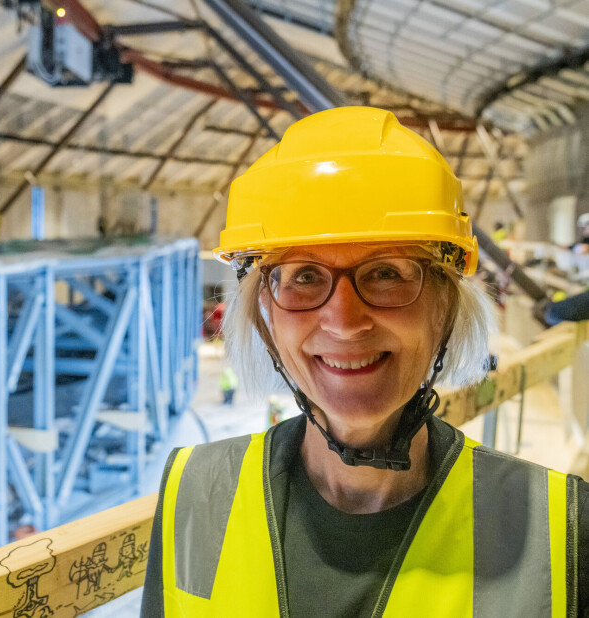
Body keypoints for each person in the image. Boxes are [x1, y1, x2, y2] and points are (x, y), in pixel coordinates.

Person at [140, 107, 587, 617]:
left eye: (386, 273)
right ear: (265, 314)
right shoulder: (193, 495)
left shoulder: (562, 532)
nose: (345, 321)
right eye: (304, 275)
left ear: (444, 305)